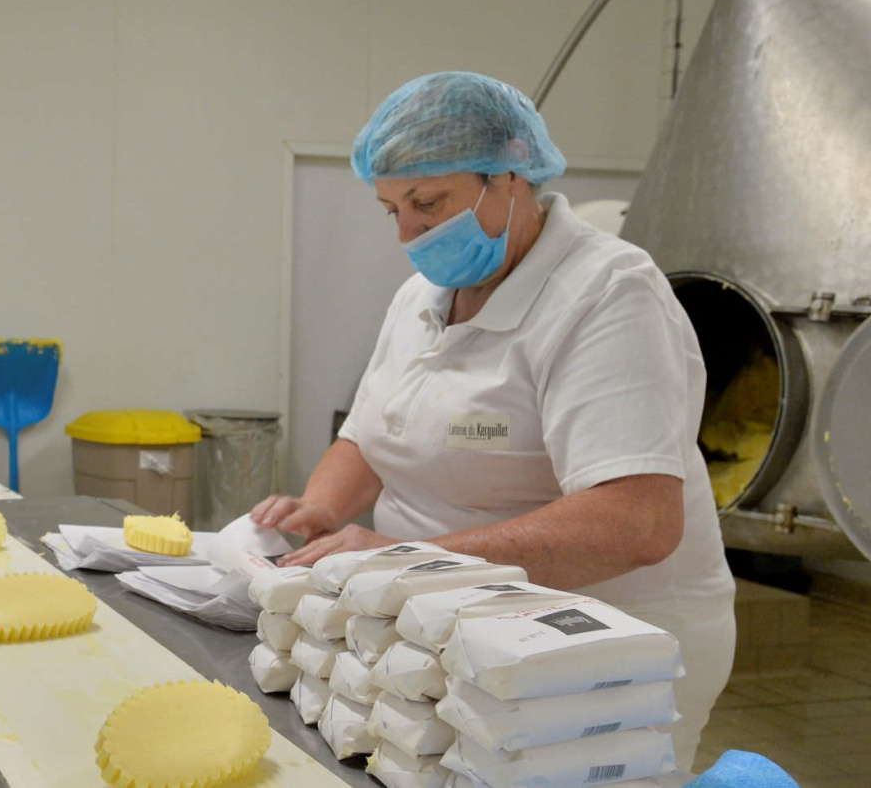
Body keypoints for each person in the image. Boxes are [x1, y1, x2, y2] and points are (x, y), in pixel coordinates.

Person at [252, 71, 734, 768]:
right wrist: (321, 510)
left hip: (592, 654)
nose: (410, 233)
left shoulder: (607, 295)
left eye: (428, 202)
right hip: (441, 625)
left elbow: (638, 521)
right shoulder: (424, 294)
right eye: (393, 210)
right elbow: (370, 433)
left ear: (510, 176)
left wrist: (409, 560)